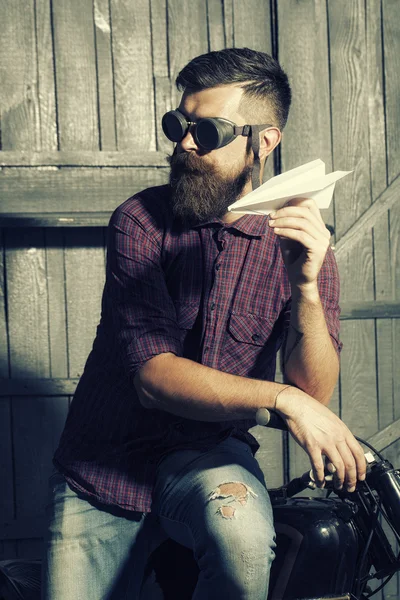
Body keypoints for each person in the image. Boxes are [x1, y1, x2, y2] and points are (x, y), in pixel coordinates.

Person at [42, 47, 366, 600]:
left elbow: (314, 390)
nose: (185, 143)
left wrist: (306, 287)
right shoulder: (139, 220)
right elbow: (154, 378)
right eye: (179, 124)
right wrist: (283, 402)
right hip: (104, 465)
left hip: (208, 454)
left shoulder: (302, 242)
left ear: (264, 141)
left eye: (208, 131)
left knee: (243, 541)